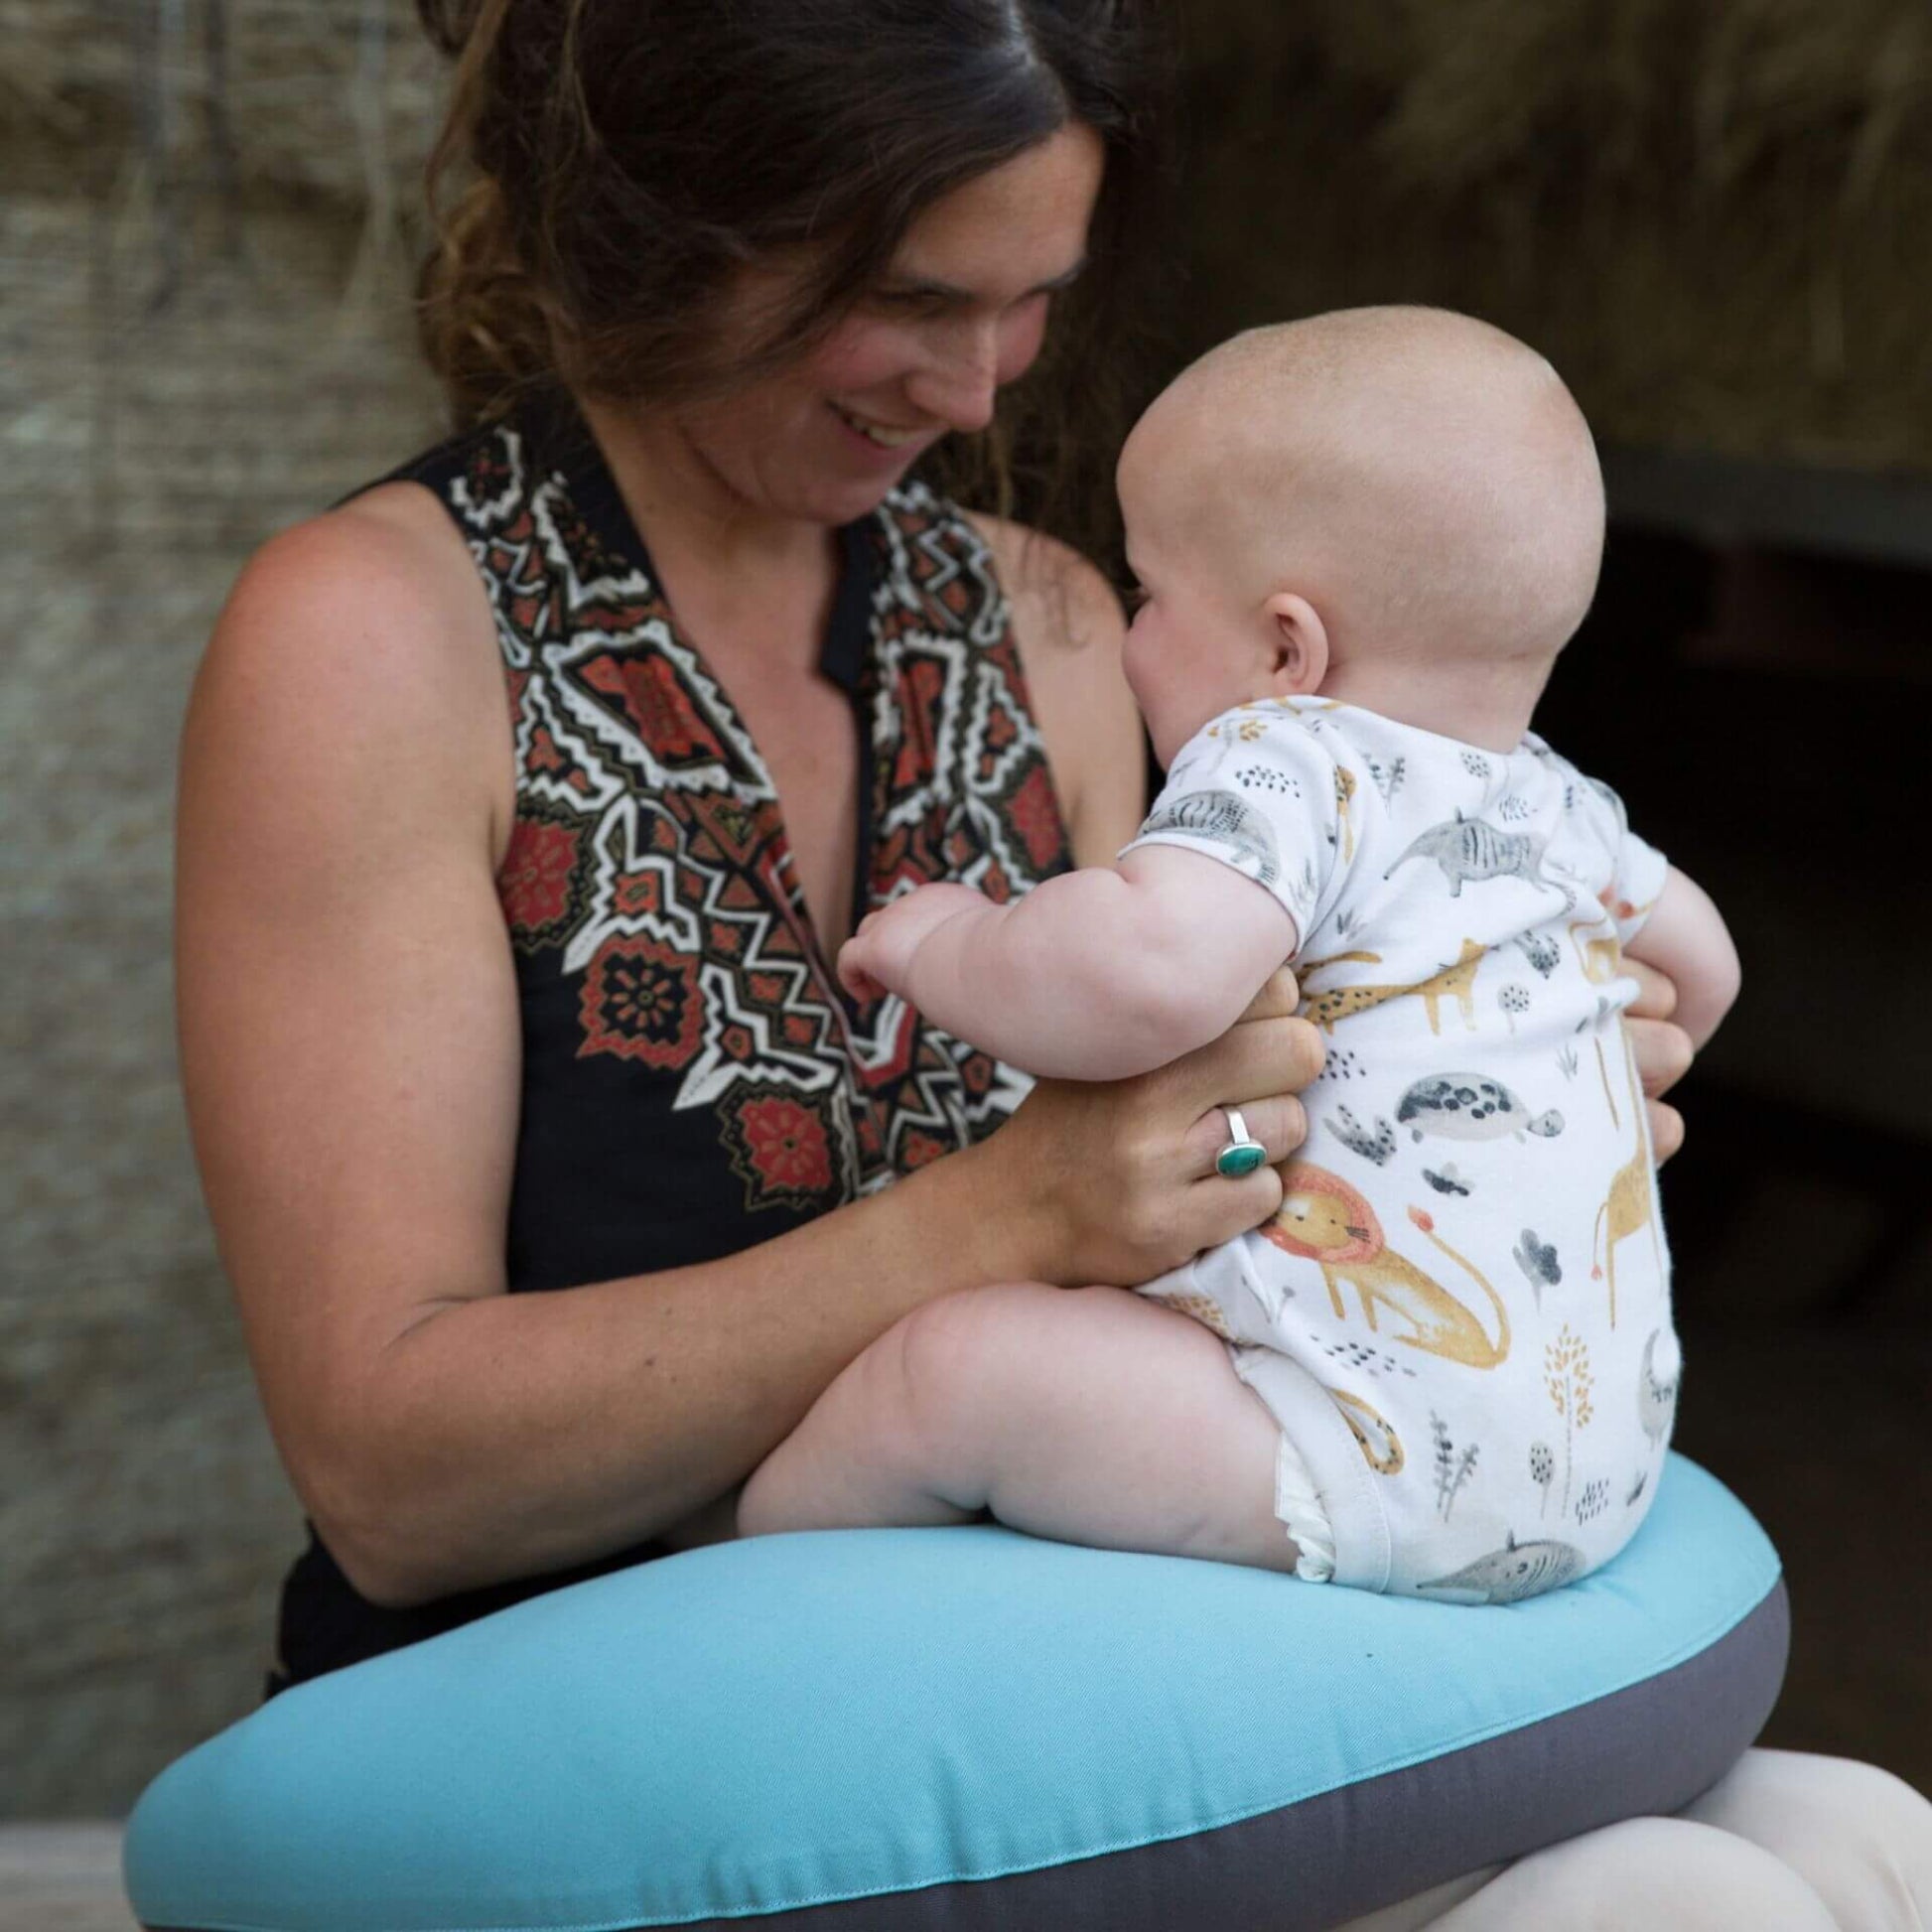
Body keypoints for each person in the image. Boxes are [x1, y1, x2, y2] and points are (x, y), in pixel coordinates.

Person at [168, 0, 1931, 1922]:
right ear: (683, 217)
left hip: (1046, 1683)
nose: (984, 389)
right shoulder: (374, 638)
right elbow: (390, 1472)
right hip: (618, 1745)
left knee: (1854, 1839)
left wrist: (1465, 1098)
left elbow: (1203, 1140)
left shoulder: (1058, 626)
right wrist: (997, 1220)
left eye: (1030, 303)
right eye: (920, 298)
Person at [739, 308, 1737, 1604]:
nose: (1130, 633)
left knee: (954, 1371)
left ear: (1284, 648)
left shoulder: (1291, 753)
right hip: (1595, 1466)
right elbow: (1701, 968)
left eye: (1147, 592)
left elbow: (1144, 972)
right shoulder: (1559, 808)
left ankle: (735, 1580)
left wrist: (948, 940)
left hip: (1354, 1443)